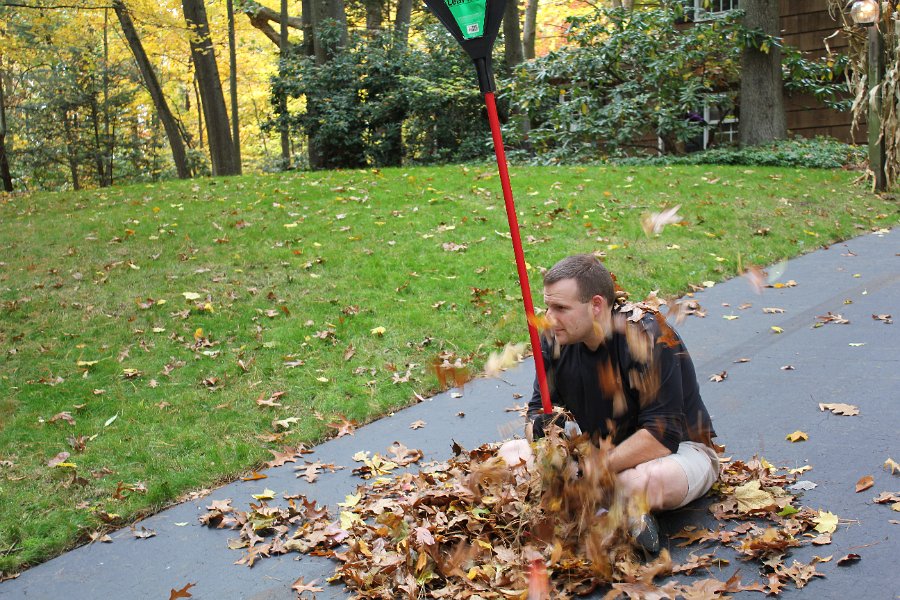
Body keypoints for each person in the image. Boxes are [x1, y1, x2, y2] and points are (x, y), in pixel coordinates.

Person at [526, 254, 719, 553]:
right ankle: (614, 512)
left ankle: (600, 509)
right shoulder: (555, 339)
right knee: (512, 455)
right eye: (548, 306)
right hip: (599, 456)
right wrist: (543, 438)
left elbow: (661, 438)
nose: (549, 318)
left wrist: (593, 470)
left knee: (644, 480)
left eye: (561, 308)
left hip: (677, 452)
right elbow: (536, 413)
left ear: (596, 305)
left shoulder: (646, 335)